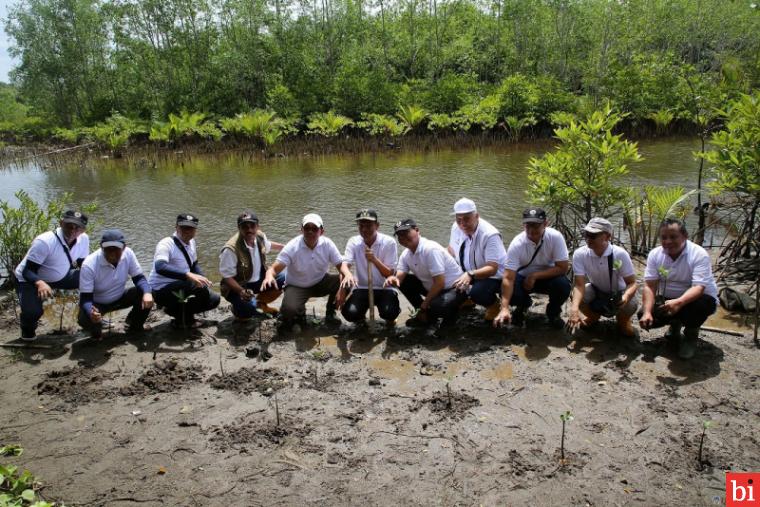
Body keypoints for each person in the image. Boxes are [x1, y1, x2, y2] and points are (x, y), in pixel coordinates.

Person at [638, 218, 718, 359]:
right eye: (664, 237)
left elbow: (699, 287)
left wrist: (679, 302)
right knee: (643, 315)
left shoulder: (699, 254)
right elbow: (650, 286)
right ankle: (675, 327)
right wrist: (647, 312)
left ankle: (690, 336)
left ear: (685, 236)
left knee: (700, 306)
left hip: (698, 300)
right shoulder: (655, 254)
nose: (668, 241)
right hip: (668, 299)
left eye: (673, 237)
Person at [261, 213, 355, 330]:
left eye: (314, 229)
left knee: (348, 281)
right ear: (301, 230)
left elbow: (341, 265)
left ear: (321, 231)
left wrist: (346, 278)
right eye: (307, 228)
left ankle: (330, 312)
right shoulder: (292, 246)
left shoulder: (327, 244)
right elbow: (274, 269)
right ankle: (299, 312)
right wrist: (269, 276)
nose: (310, 232)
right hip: (297, 286)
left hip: (320, 282)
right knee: (288, 312)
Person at [14, 210, 90, 340]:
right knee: (33, 312)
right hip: (30, 279)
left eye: (77, 227)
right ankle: (27, 330)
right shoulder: (45, 241)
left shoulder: (83, 239)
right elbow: (28, 271)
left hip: (61, 276)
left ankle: (91, 318)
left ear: (83, 230)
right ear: (61, 223)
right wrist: (40, 283)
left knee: (94, 279)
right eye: (69, 225)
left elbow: (83, 263)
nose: (73, 230)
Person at [494, 208, 571, 329]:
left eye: (535, 226)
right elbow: (508, 277)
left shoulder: (555, 237)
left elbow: (562, 268)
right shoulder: (517, 243)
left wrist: (535, 276)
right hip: (523, 278)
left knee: (563, 285)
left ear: (545, 224)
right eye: (528, 225)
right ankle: (523, 305)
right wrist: (504, 308)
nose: (531, 230)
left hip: (548, 277)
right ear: (523, 225)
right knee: (507, 290)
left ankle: (553, 313)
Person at [385, 218, 465, 330]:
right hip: (434, 288)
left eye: (406, 233)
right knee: (405, 282)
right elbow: (400, 276)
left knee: (438, 306)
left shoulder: (430, 249)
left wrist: (424, 305)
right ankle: (427, 314)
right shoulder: (405, 255)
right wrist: (393, 279)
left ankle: (450, 313)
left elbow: (440, 283)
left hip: (454, 288)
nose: (403, 237)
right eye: (399, 235)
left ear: (417, 230)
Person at [567, 218, 638, 337]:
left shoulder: (619, 254)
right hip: (596, 289)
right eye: (586, 235)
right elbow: (579, 285)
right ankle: (593, 317)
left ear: (607, 237)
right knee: (576, 297)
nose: (588, 239)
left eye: (593, 236)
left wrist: (625, 297)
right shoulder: (580, 254)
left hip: (618, 292)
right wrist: (574, 309)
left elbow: (632, 283)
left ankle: (623, 322)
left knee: (631, 304)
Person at [78, 229, 153, 339]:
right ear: (101, 247)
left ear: (124, 247)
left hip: (120, 298)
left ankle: (134, 326)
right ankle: (95, 333)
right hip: (98, 304)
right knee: (87, 320)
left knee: (148, 292)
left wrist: (147, 293)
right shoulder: (89, 264)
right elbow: (85, 298)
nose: (112, 253)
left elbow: (139, 278)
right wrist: (90, 312)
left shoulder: (128, 254)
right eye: (108, 249)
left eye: (116, 249)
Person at [148, 214, 220, 328]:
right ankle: (185, 320)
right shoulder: (166, 243)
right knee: (194, 286)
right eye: (184, 227)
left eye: (190, 228)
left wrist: (202, 278)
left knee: (214, 299)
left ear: (195, 230)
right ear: (176, 227)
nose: (187, 231)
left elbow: (194, 264)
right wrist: (188, 275)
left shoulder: (192, 243)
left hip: (181, 286)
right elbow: (160, 267)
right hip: (160, 290)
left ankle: (176, 313)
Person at [447, 198, 508, 321]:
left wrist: (470, 274)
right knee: (444, 280)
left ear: (476, 216)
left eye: (466, 218)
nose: (462, 223)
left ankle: (493, 305)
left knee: (478, 293)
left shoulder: (490, 235)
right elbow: (451, 249)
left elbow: (492, 268)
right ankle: (468, 299)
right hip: (468, 272)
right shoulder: (456, 227)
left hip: (493, 277)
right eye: (459, 219)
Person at [219, 211, 285, 320]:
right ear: (239, 228)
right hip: (238, 286)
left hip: (257, 281)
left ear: (258, 226)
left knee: (284, 279)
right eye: (245, 227)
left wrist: (287, 248)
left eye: (252, 226)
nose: (249, 230)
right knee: (247, 311)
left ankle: (261, 303)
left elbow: (268, 244)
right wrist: (241, 291)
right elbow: (227, 277)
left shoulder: (259, 236)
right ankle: (237, 310)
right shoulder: (230, 249)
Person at [340, 209, 400, 325]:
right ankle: (361, 318)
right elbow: (345, 264)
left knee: (390, 312)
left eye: (368, 226)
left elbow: (390, 274)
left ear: (377, 226)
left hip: (385, 288)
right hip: (362, 287)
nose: (364, 230)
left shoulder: (389, 242)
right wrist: (347, 274)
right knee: (350, 313)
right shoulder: (354, 242)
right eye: (361, 226)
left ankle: (391, 319)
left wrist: (374, 260)